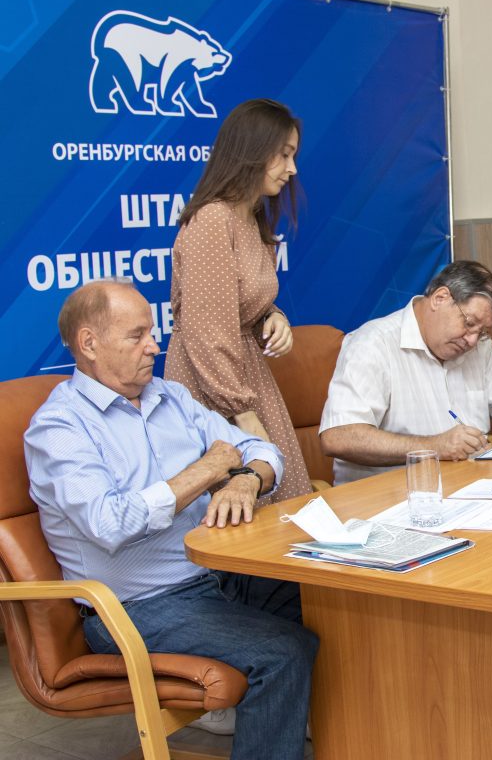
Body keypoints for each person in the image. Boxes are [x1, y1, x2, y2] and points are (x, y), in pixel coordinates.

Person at [24, 281, 318, 760]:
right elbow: (109, 523)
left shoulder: (171, 397)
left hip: (221, 576)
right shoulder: (59, 428)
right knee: (282, 652)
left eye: (152, 332)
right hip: (138, 607)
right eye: (136, 335)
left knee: (335, 597)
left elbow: (262, 451)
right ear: (89, 344)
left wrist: (246, 479)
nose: (153, 345)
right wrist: (206, 470)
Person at [165, 98, 311, 503]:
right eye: (284, 155)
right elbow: (208, 332)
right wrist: (243, 413)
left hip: (244, 376)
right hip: (212, 385)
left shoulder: (251, 218)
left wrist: (272, 315)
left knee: (276, 498)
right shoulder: (213, 220)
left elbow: (241, 299)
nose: (292, 169)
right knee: (241, 502)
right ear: (252, 151)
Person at [320, 260, 492, 485]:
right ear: (440, 298)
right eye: (469, 323)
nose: (472, 340)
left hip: (469, 485)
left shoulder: (479, 346)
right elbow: (339, 437)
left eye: (482, 332)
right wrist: (435, 446)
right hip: (389, 493)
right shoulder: (374, 343)